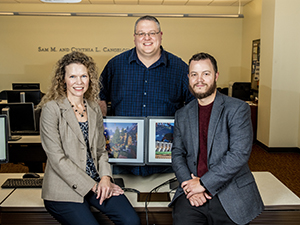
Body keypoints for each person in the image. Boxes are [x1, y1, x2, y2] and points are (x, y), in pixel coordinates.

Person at [38, 51, 140, 225]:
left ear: (90, 78)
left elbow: (101, 150)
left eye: (83, 76)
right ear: (63, 79)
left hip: (96, 182)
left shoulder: (93, 108)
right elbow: (57, 159)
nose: (79, 82)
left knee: (131, 220)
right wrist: (93, 186)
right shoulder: (51, 109)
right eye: (73, 76)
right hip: (63, 188)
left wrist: (106, 178)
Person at [170, 52, 264, 225]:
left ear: (216, 76)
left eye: (206, 73)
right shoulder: (182, 114)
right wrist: (190, 186)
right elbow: (177, 153)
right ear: (188, 78)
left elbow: (239, 154)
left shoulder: (237, 109)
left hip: (229, 191)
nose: (200, 79)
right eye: (194, 74)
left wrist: (204, 184)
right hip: (193, 193)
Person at [99, 15, 194, 176]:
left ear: (160, 35)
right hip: (121, 161)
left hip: (167, 162)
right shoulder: (115, 66)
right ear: (134, 37)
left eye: (152, 33)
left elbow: (194, 108)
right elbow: (99, 98)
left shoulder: (180, 68)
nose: (147, 38)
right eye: (141, 33)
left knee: (168, 200)